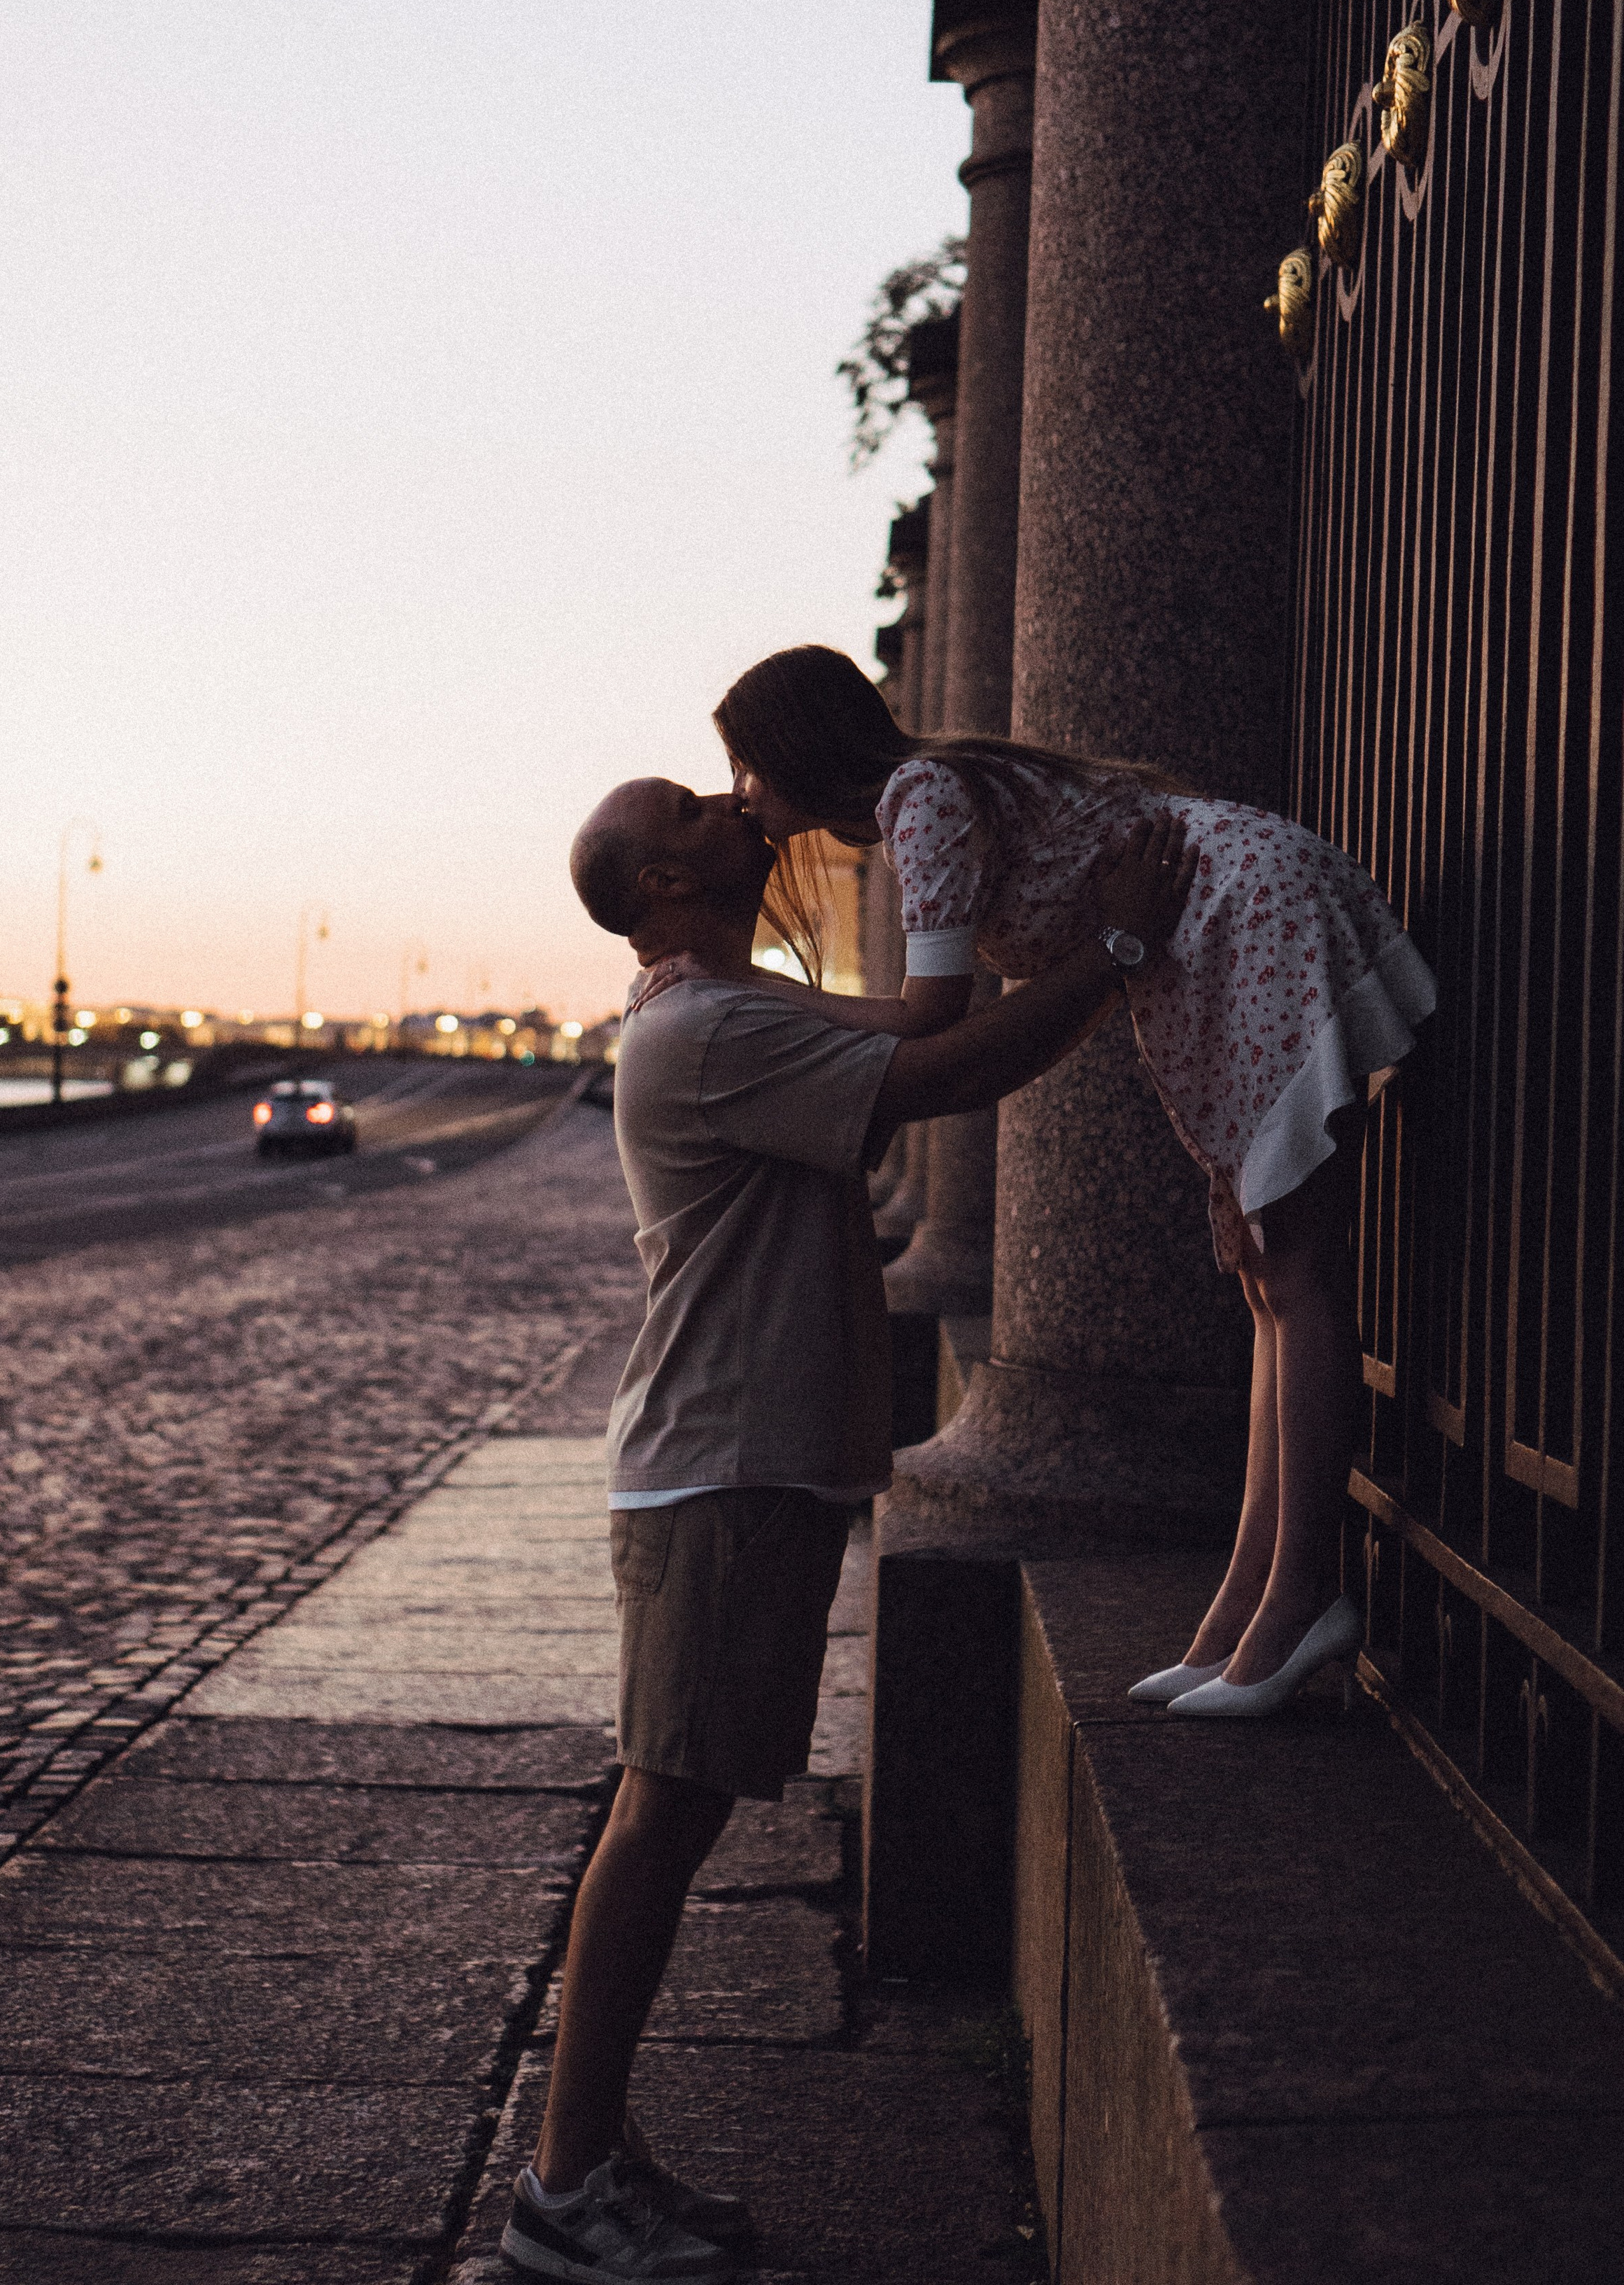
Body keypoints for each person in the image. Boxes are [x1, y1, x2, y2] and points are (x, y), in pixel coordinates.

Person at [497, 775, 1193, 2283]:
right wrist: (1119, 949)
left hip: (748, 1463)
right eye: (687, 805)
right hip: (723, 1469)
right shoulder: (707, 1033)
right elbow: (949, 1075)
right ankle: (560, 2192)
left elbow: (926, 1026)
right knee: (660, 1817)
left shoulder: (738, 1004)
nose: (727, 800)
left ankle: (593, 2156)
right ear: (658, 883)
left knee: (665, 1811)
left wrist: (1030, 930)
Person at [706, 644, 1438, 1720]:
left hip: (1244, 918)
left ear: (796, 747)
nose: (740, 795)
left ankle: (1300, 1597)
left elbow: (933, 1015)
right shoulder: (927, 797)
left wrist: (757, 1005)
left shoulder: (921, 796)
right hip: (1218, 934)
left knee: (1298, 1277)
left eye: (747, 767)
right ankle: (1248, 1603)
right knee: (1268, 1281)